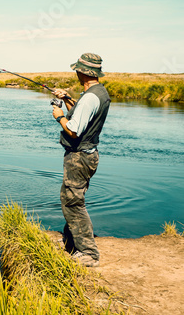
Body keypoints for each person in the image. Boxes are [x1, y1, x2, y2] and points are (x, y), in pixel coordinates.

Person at [52, 53, 111, 267]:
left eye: (77, 69)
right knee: (72, 198)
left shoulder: (89, 98)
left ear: (83, 72)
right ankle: (72, 243)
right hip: (88, 155)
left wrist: (59, 116)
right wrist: (67, 99)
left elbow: (75, 130)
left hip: (79, 157)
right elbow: (81, 116)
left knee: (73, 202)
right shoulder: (98, 92)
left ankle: (88, 253)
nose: (75, 72)